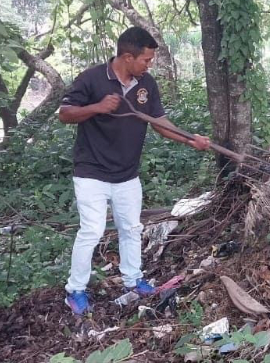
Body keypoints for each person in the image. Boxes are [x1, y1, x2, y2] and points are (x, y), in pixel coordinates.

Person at [59, 26, 211, 315]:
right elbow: (64, 113)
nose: (149, 65)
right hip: (91, 171)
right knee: (91, 230)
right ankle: (75, 290)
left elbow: (160, 123)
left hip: (127, 174)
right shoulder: (92, 78)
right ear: (128, 57)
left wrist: (192, 139)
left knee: (131, 228)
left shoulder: (146, 85)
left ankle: (134, 280)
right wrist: (98, 107)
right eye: (146, 60)